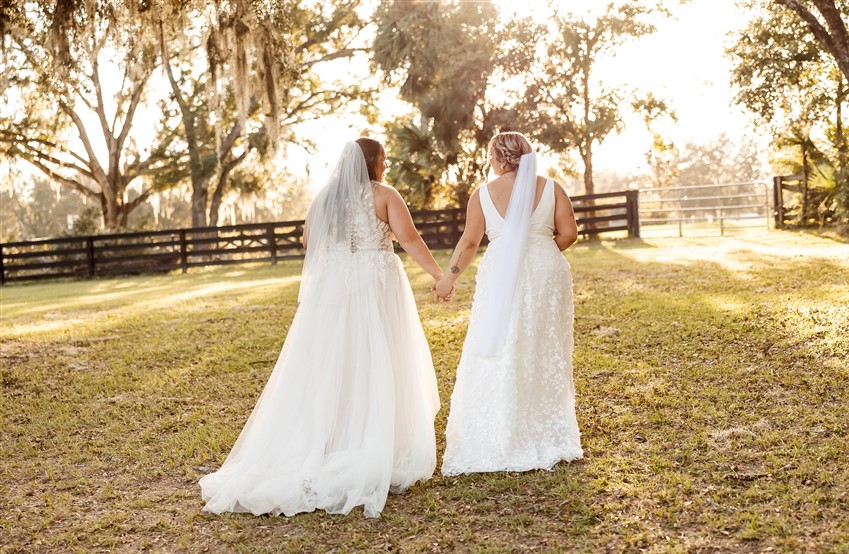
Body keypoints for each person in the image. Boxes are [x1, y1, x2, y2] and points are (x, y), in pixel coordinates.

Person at [200, 138, 446, 518]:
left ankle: (333, 438)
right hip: (376, 283)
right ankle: (374, 438)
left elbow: (308, 242)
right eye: (383, 159)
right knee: (378, 355)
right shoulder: (384, 194)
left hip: (336, 289)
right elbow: (409, 238)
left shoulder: (324, 197)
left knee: (334, 360)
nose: (386, 165)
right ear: (372, 162)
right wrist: (438, 274)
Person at [435, 131, 582, 475]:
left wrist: (447, 279)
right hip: (547, 270)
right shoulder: (553, 188)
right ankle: (545, 424)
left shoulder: (483, 194)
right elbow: (570, 233)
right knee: (544, 345)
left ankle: (501, 427)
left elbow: (470, 242)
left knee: (500, 341)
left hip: (501, 270)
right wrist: (539, 251)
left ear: (498, 158)